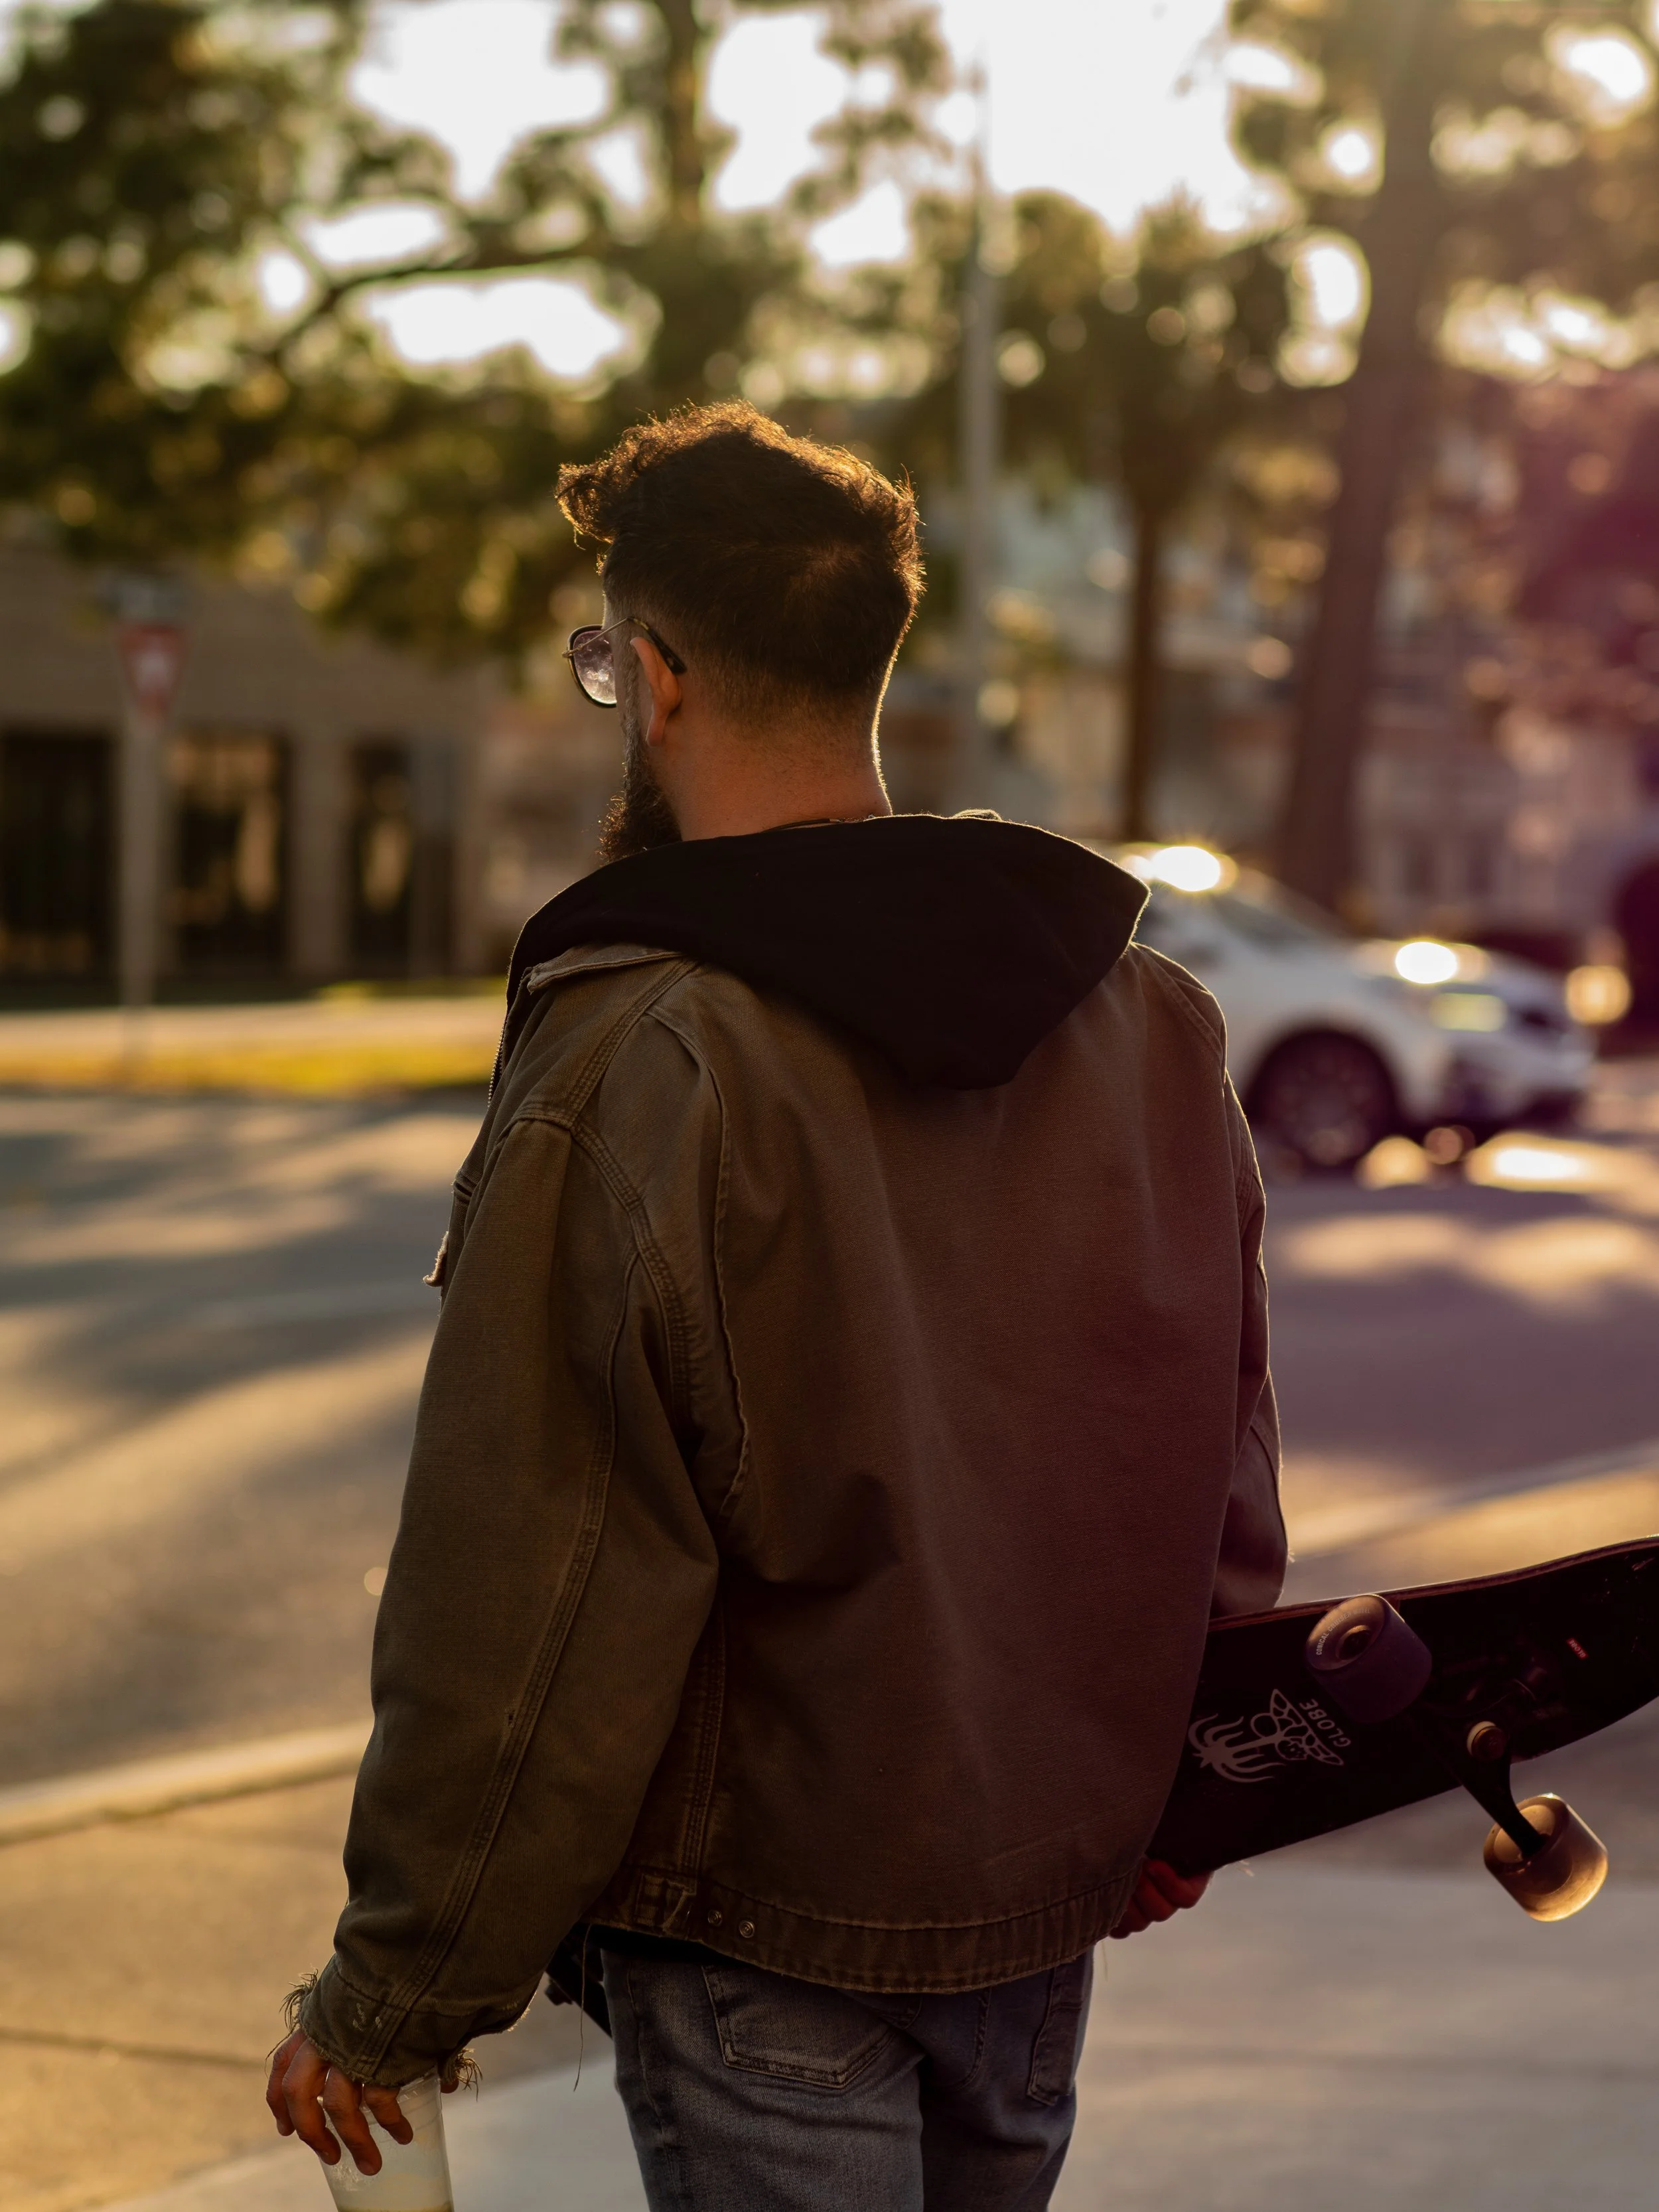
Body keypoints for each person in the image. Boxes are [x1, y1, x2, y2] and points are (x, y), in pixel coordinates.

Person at [267, 401, 1284, 2210]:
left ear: (655, 678)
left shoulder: (643, 1054)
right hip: (1035, 1900)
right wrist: (1182, 1772)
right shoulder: (1147, 1024)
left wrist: (399, 1985)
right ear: (870, 662)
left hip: (770, 1910)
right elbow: (1215, 1453)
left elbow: (538, 1581)